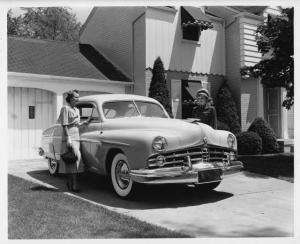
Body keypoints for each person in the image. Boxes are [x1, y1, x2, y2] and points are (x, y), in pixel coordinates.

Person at [57, 90, 90, 192]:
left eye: (78, 97)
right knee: (71, 160)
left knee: (75, 161)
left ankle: (71, 184)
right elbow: (65, 124)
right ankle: (73, 185)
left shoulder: (76, 109)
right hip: (69, 137)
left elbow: (77, 124)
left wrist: (86, 122)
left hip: (77, 137)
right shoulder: (65, 108)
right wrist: (68, 138)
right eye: (76, 97)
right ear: (70, 98)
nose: (77, 99)